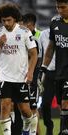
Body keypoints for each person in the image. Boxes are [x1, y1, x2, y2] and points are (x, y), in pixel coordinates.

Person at [0, 3, 38, 135]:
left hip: (20, 77)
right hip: (3, 77)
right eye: (3, 20)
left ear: (15, 18)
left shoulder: (24, 32)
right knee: (5, 106)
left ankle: (26, 129)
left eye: (9, 20)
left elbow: (34, 54)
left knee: (26, 111)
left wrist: (31, 73)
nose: (6, 23)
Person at [38, 0, 68, 134]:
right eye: (58, 7)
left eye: (63, 7)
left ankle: (63, 131)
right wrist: (44, 67)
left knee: (66, 103)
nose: (60, 10)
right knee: (62, 105)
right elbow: (51, 48)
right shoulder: (55, 23)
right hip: (59, 72)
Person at [22, 13, 43, 135]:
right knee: (26, 108)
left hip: (34, 75)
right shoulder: (24, 35)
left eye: (24, 25)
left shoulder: (39, 36)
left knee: (33, 108)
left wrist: (37, 76)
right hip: (23, 76)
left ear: (30, 24)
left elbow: (39, 57)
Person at [39, 28, 56, 135]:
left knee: (64, 103)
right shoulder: (43, 34)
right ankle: (49, 125)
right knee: (45, 104)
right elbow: (40, 53)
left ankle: (64, 128)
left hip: (64, 72)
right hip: (49, 73)